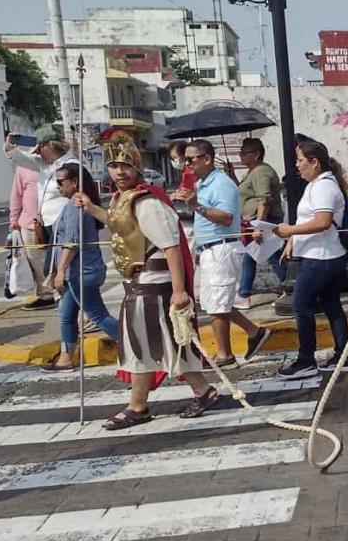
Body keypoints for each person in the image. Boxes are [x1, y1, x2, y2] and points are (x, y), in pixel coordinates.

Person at [73, 131, 217, 428]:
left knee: (146, 345)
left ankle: (139, 406)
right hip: (139, 286)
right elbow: (119, 225)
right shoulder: (122, 199)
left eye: (125, 166)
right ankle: (201, 391)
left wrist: (179, 291)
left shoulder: (147, 202)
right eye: (113, 165)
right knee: (160, 344)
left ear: (137, 168)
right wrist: (90, 207)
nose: (119, 171)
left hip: (154, 286)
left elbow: (171, 247)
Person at [172, 139, 271, 367]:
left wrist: (197, 206)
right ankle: (253, 331)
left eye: (191, 159)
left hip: (222, 247)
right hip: (210, 247)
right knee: (213, 302)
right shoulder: (203, 183)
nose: (187, 164)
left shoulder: (222, 184)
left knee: (217, 303)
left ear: (206, 159)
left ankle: (225, 354)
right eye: (184, 159)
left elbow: (226, 218)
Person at [272, 140, 348, 379]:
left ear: (314, 162)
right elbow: (309, 219)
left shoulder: (323, 187)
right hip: (322, 255)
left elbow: (322, 221)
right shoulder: (317, 184)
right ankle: (342, 354)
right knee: (331, 305)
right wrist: (292, 240)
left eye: (300, 160)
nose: (297, 165)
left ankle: (306, 359)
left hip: (321, 258)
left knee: (300, 305)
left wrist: (290, 232)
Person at [42, 163, 120, 372]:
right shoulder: (72, 204)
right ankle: (66, 358)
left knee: (98, 316)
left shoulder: (76, 205)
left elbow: (72, 243)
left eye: (61, 182)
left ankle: (134, 345)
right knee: (66, 315)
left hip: (81, 272)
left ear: (74, 182)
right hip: (76, 272)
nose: (58, 187)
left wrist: (60, 271)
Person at [3, 126, 81, 310]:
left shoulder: (70, 166)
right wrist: (10, 145)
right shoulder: (43, 165)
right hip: (45, 224)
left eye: (40, 148)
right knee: (49, 269)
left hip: (63, 224)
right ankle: (65, 301)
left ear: (49, 146)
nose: (37, 152)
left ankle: (76, 305)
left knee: (67, 268)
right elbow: (20, 158)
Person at [235, 138, 286, 309]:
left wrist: (259, 226)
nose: (240, 155)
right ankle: (245, 294)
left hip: (264, 220)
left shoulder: (261, 172)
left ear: (256, 154)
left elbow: (264, 200)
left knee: (264, 255)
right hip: (255, 221)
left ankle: (244, 294)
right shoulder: (252, 172)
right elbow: (246, 194)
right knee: (258, 256)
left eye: (244, 152)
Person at [8, 164, 47, 307]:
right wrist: (13, 219)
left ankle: (62, 291)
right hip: (30, 224)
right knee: (36, 261)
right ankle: (45, 295)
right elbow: (16, 196)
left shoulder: (56, 165)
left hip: (53, 222)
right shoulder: (23, 168)